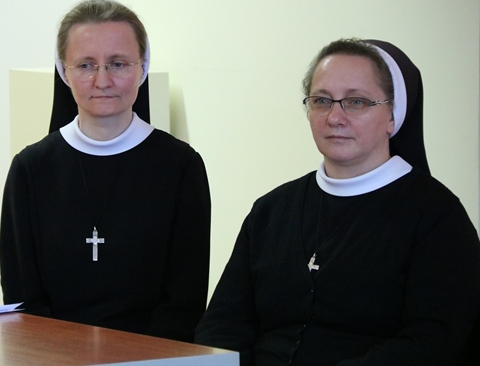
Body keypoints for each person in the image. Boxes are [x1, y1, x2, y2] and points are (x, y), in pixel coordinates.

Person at [194, 38, 480, 365]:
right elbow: (222, 323)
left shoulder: (437, 216)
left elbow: (431, 342)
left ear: (392, 115)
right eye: (322, 101)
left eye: (356, 102)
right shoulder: (271, 210)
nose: (334, 117)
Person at [0, 0, 211, 342]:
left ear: (142, 68)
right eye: (86, 65)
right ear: (64, 71)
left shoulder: (181, 168)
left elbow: (184, 301)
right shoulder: (30, 169)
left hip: (153, 357)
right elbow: (23, 298)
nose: (102, 80)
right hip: (52, 356)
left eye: (118, 64)